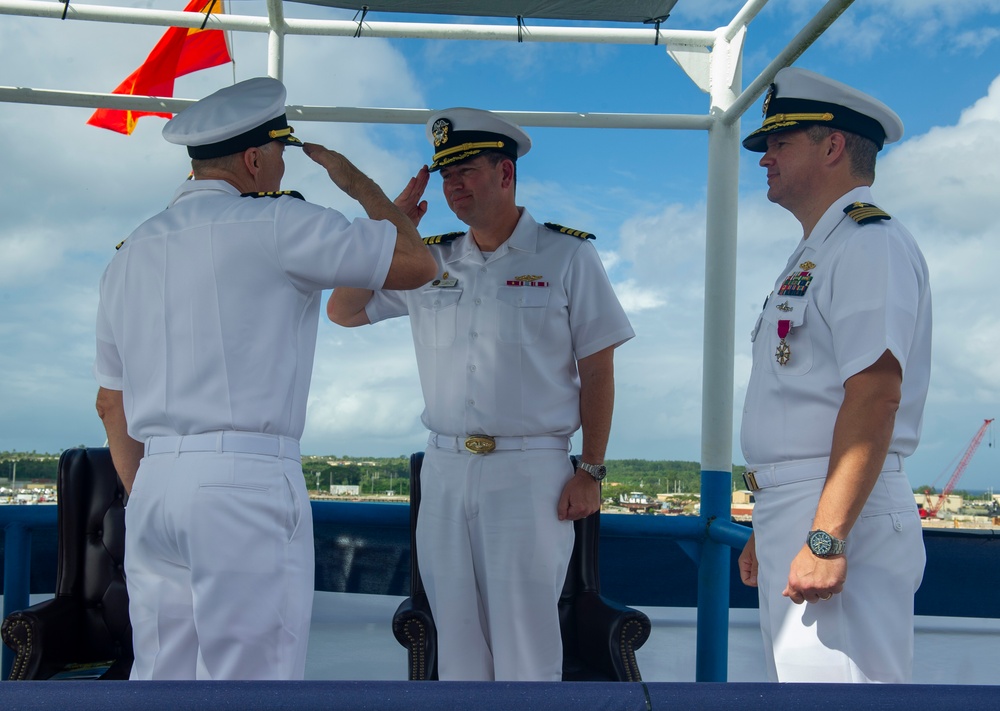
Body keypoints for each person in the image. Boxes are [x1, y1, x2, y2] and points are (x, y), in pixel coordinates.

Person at [92, 76, 436, 680]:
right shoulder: (278, 224)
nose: (281, 169)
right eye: (279, 154)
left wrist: (151, 488)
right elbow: (417, 263)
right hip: (242, 484)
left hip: (151, 490)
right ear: (253, 159)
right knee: (252, 685)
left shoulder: (129, 254)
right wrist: (361, 186)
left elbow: (109, 404)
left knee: (160, 683)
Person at [327, 107, 634, 680]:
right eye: (446, 175)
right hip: (444, 471)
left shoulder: (567, 256)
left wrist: (590, 470)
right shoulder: (428, 259)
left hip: (530, 471)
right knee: (456, 641)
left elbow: (598, 366)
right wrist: (386, 229)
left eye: (465, 170)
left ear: (506, 174)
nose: (453, 186)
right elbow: (342, 310)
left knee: (526, 638)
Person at [737, 67, 932, 683]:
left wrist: (825, 536)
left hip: (841, 511)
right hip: (804, 506)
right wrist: (769, 519)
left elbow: (876, 392)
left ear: (833, 146)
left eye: (780, 142)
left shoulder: (869, 243)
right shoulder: (818, 251)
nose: (764, 158)